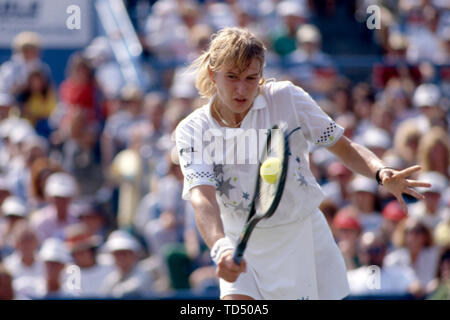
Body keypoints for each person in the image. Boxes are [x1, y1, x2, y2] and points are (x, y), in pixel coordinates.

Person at [174, 27, 430, 300]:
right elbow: (202, 198)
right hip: (239, 246)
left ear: (261, 76)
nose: (241, 89)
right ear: (213, 74)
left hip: (304, 237)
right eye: (232, 77)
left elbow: (344, 147)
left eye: (251, 78)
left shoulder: (287, 98)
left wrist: (380, 171)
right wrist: (220, 248)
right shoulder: (192, 130)